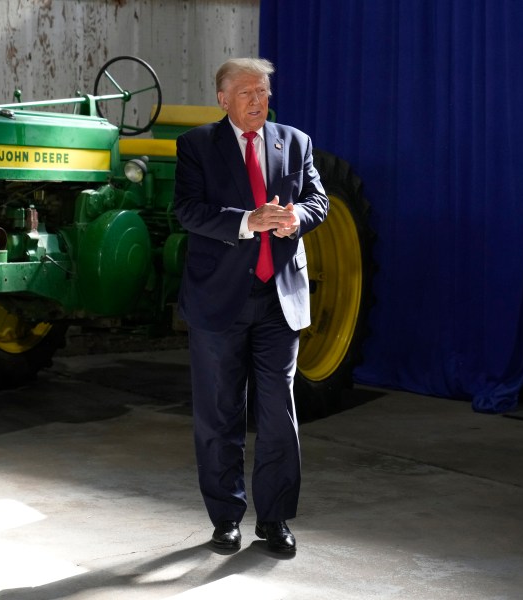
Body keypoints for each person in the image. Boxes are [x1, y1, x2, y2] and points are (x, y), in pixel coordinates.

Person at [173, 57, 329, 553]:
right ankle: (225, 518)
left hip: (279, 300)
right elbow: (187, 210)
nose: (258, 101)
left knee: (279, 415)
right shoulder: (196, 145)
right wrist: (249, 221)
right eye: (246, 93)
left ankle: (276, 519)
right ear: (222, 99)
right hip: (219, 301)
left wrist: (295, 218)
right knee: (220, 416)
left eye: (263, 92)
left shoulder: (295, 141)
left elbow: (318, 200)